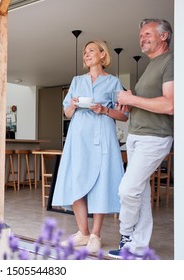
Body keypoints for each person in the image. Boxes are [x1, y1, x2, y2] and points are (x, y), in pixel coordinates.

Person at [52, 40, 128, 253]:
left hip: (103, 135)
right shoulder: (76, 81)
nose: (86, 55)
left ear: (103, 55)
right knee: (76, 179)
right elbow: (66, 112)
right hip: (78, 137)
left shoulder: (113, 82)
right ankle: (83, 232)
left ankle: (96, 234)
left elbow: (123, 114)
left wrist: (104, 110)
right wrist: (74, 104)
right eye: (85, 52)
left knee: (101, 182)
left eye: (91, 51)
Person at [108, 18, 174, 259]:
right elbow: (148, 104)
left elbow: (170, 105)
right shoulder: (151, 65)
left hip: (154, 137)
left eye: (147, 34)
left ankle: (126, 234)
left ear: (164, 36)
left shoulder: (171, 61)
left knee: (127, 189)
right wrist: (128, 103)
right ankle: (139, 247)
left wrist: (131, 99)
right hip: (136, 135)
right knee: (141, 192)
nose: (142, 39)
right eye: (141, 36)